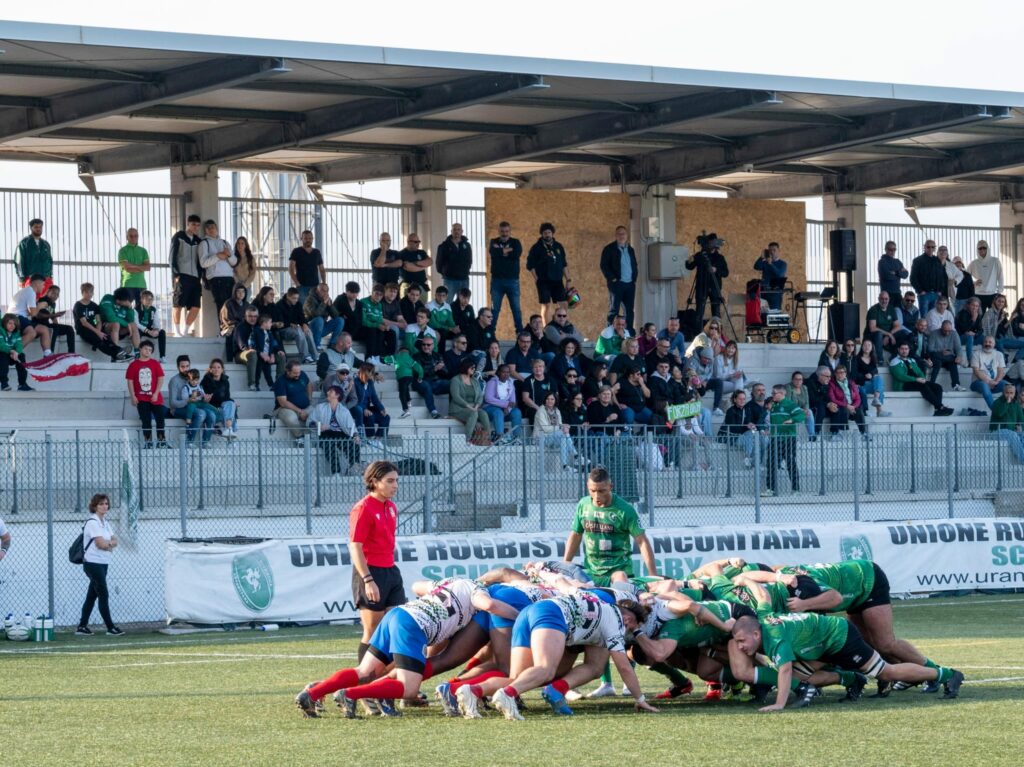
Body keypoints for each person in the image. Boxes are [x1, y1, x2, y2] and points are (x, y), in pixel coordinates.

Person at [296, 576, 518, 719]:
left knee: (363, 672)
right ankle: (350, 694)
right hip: (414, 626)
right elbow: (489, 605)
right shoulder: (477, 589)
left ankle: (313, 693)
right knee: (409, 688)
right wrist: (519, 615)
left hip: (398, 615)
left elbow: (417, 586)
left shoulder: (452, 582)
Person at [562, 467, 658, 697]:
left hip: (618, 571)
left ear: (610, 487)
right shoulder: (583, 505)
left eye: (602, 491)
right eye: (593, 491)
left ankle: (628, 679)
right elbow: (575, 535)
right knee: (596, 623)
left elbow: (642, 542)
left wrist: (653, 574)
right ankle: (606, 683)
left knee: (623, 622)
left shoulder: (625, 510)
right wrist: (565, 565)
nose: (597, 496)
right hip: (592, 573)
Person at [75, 494, 125, 637]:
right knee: (103, 593)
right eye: (101, 504)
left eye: (106, 503)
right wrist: (109, 544)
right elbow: (101, 544)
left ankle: (82, 626)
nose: (105, 506)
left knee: (92, 595)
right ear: (95, 506)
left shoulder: (105, 522)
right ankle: (110, 627)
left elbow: (115, 540)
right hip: (93, 563)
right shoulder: (93, 522)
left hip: (103, 563)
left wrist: (109, 544)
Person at [526, 223, 573, 324]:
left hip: (557, 280)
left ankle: (563, 326)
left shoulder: (558, 246)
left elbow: (564, 264)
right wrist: (536, 278)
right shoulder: (536, 247)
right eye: (545, 233)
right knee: (546, 305)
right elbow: (530, 265)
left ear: (552, 233)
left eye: (549, 232)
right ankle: (546, 329)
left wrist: (568, 280)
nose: (547, 235)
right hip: (543, 281)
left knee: (564, 304)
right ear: (542, 234)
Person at [763, 384, 804, 496]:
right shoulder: (774, 406)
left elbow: (801, 415)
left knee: (791, 463)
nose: (772, 395)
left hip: (788, 438)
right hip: (775, 438)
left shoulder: (790, 404)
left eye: (774, 393)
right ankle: (770, 489)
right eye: (772, 393)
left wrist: (792, 420)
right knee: (771, 463)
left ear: (782, 393)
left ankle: (796, 489)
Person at [890, 342, 953, 416]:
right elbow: (900, 376)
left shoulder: (911, 360)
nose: (904, 351)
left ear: (909, 350)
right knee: (923, 386)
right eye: (902, 349)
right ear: (898, 350)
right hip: (904, 384)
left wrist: (922, 379)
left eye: (906, 349)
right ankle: (940, 407)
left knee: (938, 387)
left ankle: (937, 409)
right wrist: (916, 379)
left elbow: (920, 372)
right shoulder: (894, 361)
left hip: (916, 382)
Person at [309, 385, 361, 474]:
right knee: (329, 446)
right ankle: (336, 472)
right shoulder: (320, 407)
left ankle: (353, 467)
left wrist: (356, 436)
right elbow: (309, 422)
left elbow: (351, 427)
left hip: (341, 434)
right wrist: (318, 425)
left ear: (337, 395)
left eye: (331, 391)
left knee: (353, 445)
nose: (327, 392)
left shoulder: (344, 411)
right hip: (325, 434)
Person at [124, 339, 167, 446]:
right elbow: (130, 381)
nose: (148, 351)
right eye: (146, 349)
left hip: (155, 398)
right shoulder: (133, 365)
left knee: (160, 420)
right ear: (140, 349)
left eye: (150, 350)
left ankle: (161, 442)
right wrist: (133, 396)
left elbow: (160, 379)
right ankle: (148, 442)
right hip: (141, 399)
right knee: (146, 421)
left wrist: (156, 393)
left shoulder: (155, 363)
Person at [168, 355, 216, 445]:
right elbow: (173, 403)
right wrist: (188, 400)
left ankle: (205, 442)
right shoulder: (174, 381)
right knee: (201, 414)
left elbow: (199, 395)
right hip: (178, 409)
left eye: (187, 366)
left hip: (195, 406)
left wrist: (205, 399)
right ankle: (189, 442)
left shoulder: (194, 378)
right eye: (182, 366)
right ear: (177, 367)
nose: (185, 369)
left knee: (212, 414)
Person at [234, 308, 285, 391]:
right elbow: (243, 346)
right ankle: (252, 384)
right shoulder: (240, 328)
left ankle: (280, 383)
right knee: (253, 353)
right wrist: (260, 353)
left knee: (281, 356)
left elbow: (272, 342)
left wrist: (277, 351)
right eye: (250, 316)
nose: (253, 318)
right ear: (245, 316)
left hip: (262, 354)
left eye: (255, 316)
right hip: (242, 353)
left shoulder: (263, 329)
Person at [169, 214, 203, 337]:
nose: (196, 227)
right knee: (178, 303)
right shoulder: (179, 237)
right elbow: (172, 256)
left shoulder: (199, 241)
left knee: (196, 306)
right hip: (182, 275)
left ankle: (186, 330)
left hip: (195, 277)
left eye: (198, 225)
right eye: (193, 224)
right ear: (188, 224)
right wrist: (175, 274)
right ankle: (177, 330)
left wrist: (200, 276)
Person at [600, 225, 638, 332]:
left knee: (629, 310)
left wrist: (634, 278)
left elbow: (634, 264)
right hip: (617, 284)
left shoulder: (630, 249)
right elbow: (604, 265)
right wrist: (612, 279)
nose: (622, 236)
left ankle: (629, 332)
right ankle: (610, 332)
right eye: (619, 234)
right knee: (614, 309)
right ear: (616, 235)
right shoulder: (609, 249)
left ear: (627, 235)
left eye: (623, 234)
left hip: (630, 284)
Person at [488, 220, 524, 333]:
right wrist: (507, 251)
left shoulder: (516, 242)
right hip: (496, 281)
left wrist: (501, 252)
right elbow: (493, 253)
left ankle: (519, 332)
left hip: (512, 281)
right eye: (502, 231)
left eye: (507, 231)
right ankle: (490, 332)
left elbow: (516, 253)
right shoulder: (493, 241)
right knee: (495, 309)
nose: (504, 233)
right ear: (499, 231)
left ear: (510, 231)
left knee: (516, 309)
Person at [198, 219, 237, 319]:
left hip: (229, 278)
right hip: (216, 278)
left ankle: (232, 330)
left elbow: (234, 262)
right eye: (209, 228)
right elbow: (203, 263)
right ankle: (223, 330)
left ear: (217, 229)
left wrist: (228, 255)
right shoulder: (204, 243)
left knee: (232, 305)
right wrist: (217, 256)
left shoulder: (225, 242)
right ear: (205, 230)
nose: (211, 230)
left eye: (213, 227)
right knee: (222, 305)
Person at [74, 283, 123, 362]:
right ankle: (116, 354)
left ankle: (119, 351)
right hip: (83, 330)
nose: (89, 294)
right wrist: (97, 333)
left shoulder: (95, 306)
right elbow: (84, 323)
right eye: (86, 292)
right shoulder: (78, 305)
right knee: (98, 341)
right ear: (82, 293)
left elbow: (99, 321)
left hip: (94, 329)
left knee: (105, 337)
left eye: (91, 292)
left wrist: (99, 332)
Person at [685, 235, 729, 322]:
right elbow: (689, 266)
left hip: (715, 287)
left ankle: (717, 333)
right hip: (701, 286)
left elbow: (726, 273)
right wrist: (689, 259)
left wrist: (716, 270)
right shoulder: (700, 255)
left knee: (716, 311)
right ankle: (698, 333)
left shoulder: (720, 258)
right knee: (699, 312)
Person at [449, 358, 491, 444]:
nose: (474, 369)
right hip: (458, 408)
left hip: (473, 407)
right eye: (472, 368)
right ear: (466, 367)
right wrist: (468, 406)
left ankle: (487, 439)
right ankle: (467, 439)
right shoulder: (455, 380)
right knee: (473, 413)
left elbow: (480, 396)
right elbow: (456, 397)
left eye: (474, 368)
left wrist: (476, 406)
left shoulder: (474, 381)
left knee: (483, 414)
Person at [9, 274, 52, 356]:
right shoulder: (30, 292)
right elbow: (33, 314)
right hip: (15, 318)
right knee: (31, 333)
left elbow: (29, 312)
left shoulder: (26, 291)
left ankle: (47, 354)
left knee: (44, 329)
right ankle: (13, 351)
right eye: (43, 284)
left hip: (17, 317)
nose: (43, 287)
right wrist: (39, 306)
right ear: (37, 284)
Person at [719, 389, 764, 468]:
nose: (742, 401)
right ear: (735, 399)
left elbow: (748, 423)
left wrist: (752, 426)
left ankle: (753, 462)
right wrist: (746, 426)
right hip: (730, 437)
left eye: (744, 399)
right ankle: (748, 458)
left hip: (743, 435)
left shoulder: (747, 410)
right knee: (750, 437)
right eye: (740, 399)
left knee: (756, 436)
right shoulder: (731, 411)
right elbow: (732, 428)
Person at [409, 336, 448, 419]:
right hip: (420, 382)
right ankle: (433, 411)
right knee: (426, 385)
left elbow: (445, 372)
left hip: (435, 382)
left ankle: (455, 411)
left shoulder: (437, 355)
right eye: (424, 344)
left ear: (433, 346)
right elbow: (419, 373)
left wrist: (440, 369)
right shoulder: (416, 356)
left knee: (452, 383)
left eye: (428, 345)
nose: (426, 346)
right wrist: (435, 368)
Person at [851, 338, 891, 416]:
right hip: (861, 385)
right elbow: (854, 374)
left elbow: (875, 371)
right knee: (880, 387)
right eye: (865, 345)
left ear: (872, 347)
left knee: (878, 379)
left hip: (871, 385)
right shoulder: (856, 359)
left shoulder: (873, 358)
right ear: (862, 347)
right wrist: (865, 376)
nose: (867, 347)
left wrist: (871, 375)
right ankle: (879, 410)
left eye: (869, 345)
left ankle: (876, 398)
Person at [274, 360, 313, 441]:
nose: (298, 375)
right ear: (287, 371)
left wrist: (309, 398)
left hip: (305, 407)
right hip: (284, 409)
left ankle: (308, 437)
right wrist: (300, 411)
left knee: (316, 415)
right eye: (295, 373)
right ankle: (299, 437)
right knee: (291, 418)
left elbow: (309, 384)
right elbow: (283, 402)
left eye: (299, 372)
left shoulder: (302, 374)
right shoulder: (280, 381)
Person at [483, 363, 522, 441]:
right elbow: (488, 398)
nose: (506, 374)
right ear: (498, 373)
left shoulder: (510, 384)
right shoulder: (492, 382)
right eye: (503, 372)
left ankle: (516, 438)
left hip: (505, 409)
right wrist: (505, 404)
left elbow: (512, 401)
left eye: (508, 372)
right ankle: (499, 437)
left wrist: (509, 409)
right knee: (498, 412)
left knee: (516, 412)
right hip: (490, 408)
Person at [200, 358, 237, 438]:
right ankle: (230, 432)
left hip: (222, 407)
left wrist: (232, 403)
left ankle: (228, 430)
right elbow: (202, 397)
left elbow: (227, 397)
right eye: (214, 367)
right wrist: (205, 399)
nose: (216, 369)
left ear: (222, 369)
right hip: (211, 407)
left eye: (218, 367)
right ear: (210, 369)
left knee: (231, 404)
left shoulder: (225, 381)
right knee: (230, 408)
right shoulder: (205, 381)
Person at [33, 284, 75, 354]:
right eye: (53, 293)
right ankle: (50, 353)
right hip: (38, 325)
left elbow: (53, 318)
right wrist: (55, 315)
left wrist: (56, 318)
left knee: (69, 329)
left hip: (47, 325)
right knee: (54, 328)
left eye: (57, 294)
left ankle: (72, 353)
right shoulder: (43, 300)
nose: (55, 296)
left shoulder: (53, 304)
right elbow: (38, 315)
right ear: (47, 292)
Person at [98, 288, 140, 359]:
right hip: (106, 328)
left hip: (120, 330)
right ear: (118, 300)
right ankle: (116, 353)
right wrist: (126, 324)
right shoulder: (107, 298)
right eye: (126, 301)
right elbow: (110, 317)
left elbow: (130, 320)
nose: (128, 302)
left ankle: (137, 353)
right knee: (116, 324)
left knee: (133, 324)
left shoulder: (126, 305)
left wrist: (130, 308)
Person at [352, 362, 390, 439]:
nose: (372, 374)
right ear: (365, 371)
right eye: (371, 372)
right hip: (357, 409)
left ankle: (378, 439)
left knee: (386, 417)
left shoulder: (370, 382)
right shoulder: (355, 382)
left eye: (373, 372)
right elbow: (353, 400)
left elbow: (374, 397)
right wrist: (364, 409)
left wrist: (381, 408)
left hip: (367, 409)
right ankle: (370, 438)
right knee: (370, 415)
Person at [14, 218, 52, 291]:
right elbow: (19, 262)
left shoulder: (46, 244)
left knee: (45, 301)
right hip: (30, 278)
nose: (38, 229)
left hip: (46, 279)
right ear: (31, 228)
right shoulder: (24, 243)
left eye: (40, 227)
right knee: (31, 300)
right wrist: (22, 278)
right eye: (36, 227)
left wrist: (50, 276)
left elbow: (50, 261)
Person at [827, 365, 866, 437]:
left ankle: (863, 433)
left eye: (842, 372)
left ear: (845, 373)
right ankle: (840, 432)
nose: (840, 374)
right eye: (837, 373)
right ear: (835, 374)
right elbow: (833, 399)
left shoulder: (851, 383)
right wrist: (846, 405)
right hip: (841, 406)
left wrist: (853, 407)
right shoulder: (832, 384)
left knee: (859, 411)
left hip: (852, 406)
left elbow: (858, 398)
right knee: (844, 410)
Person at [303, 283, 343, 351]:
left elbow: (335, 315)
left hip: (322, 329)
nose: (325, 293)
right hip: (310, 328)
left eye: (326, 291)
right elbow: (315, 315)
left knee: (340, 320)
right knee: (319, 319)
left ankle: (332, 344)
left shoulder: (327, 299)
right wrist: (324, 303)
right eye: (322, 290)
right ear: (317, 290)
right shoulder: (309, 299)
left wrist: (330, 306)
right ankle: (316, 345)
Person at [926, 320, 965, 391]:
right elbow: (930, 349)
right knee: (938, 359)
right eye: (945, 331)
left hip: (948, 360)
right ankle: (931, 384)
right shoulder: (934, 333)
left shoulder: (954, 334)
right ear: (941, 328)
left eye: (949, 331)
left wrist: (959, 356)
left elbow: (958, 348)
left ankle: (956, 385)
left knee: (953, 363)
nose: (947, 333)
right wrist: (941, 351)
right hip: (937, 357)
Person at [359, 284, 393, 364]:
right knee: (374, 331)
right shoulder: (363, 302)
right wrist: (377, 325)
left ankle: (387, 357)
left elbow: (379, 319)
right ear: (372, 292)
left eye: (380, 295)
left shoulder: (379, 305)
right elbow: (363, 320)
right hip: (363, 328)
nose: (378, 296)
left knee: (392, 333)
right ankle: (369, 356)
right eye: (376, 293)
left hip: (375, 327)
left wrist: (385, 326)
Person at [970, 335, 1007, 410]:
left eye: (990, 342)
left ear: (994, 344)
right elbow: (976, 372)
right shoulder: (976, 354)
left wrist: (996, 381)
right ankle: (995, 411)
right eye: (986, 342)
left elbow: (1001, 371)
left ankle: (1008, 409)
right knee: (984, 385)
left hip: (995, 383)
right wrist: (989, 382)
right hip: (977, 383)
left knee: (1008, 386)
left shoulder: (999, 354)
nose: (988, 344)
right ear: (983, 343)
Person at [289, 229, 325, 304]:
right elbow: (291, 269)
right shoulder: (296, 251)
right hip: (301, 286)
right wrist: (297, 283)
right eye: (305, 238)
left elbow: (322, 269)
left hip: (315, 286)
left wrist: (324, 283)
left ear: (312, 239)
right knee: (302, 308)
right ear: (301, 239)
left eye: (310, 238)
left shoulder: (317, 252)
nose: (308, 240)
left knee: (315, 306)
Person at [910, 240, 945, 315]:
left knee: (933, 317)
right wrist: (920, 291)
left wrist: (940, 291)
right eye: (928, 247)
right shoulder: (918, 260)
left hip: (936, 294)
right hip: (924, 295)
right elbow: (913, 278)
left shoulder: (937, 261)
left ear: (935, 248)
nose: (930, 249)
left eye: (933, 247)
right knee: (924, 318)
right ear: (924, 247)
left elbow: (942, 277)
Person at [990, 383, 1024, 462]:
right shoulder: (997, 403)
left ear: (1014, 393)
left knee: (1021, 435)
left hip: (1010, 432)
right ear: (1003, 392)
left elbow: (1022, 420)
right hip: (996, 431)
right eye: (1007, 393)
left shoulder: (1016, 405)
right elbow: (999, 413)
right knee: (1012, 435)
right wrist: (1006, 403)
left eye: (1011, 393)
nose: (1009, 395)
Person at [436, 222, 473, 295]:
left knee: (463, 303)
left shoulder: (467, 245)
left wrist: (465, 271)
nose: (456, 231)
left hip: (464, 279)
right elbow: (439, 262)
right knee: (448, 303)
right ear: (451, 231)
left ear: (462, 231)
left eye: (458, 229)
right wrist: (445, 273)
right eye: (454, 229)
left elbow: (469, 260)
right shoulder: (444, 246)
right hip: (449, 280)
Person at [117, 227, 149, 306]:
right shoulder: (123, 251)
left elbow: (148, 267)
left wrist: (133, 266)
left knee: (141, 310)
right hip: (127, 284)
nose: (133, 238)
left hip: (141, 285)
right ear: (127, 237)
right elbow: (127, 268)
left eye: (136, 236)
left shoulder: (143, 251)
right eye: (131, 236)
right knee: (125, 309)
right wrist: (141, 268)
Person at [968, 239, 1003, 311]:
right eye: (980, 248)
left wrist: (999, 291)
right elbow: (966, 276)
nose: (982, 250)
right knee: (979, 317)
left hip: (992, 294)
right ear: (977, 250)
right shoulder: (974, 263)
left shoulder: (995, 261)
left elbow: (1000, 276)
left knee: (994, 316)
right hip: (978, 295)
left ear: (988, 248)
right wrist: (974, 283)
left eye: (984, 248)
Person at [0, 313, 32, 392]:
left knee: (21, 356)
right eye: (10, 323)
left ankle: (22, 384)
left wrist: (17, 352)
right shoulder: (1, 331)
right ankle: (4, 384)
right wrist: (11, 351)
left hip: (12, 354)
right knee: (3, 357)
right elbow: (1, 345)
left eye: (14, 324)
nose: (12, 325)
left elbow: (19, 345)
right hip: (2, 353)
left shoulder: (16, 332)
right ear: (5, 323)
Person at [865, 291, 901, 357]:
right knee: (879, 334)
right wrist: (889, 334)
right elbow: (873, 328)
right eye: (882, 299)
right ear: (878, 299)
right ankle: (880, 359)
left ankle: (899, 357)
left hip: (887, 334)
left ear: (889, 299)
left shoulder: (891, 309)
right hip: (874, 335)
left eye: (886, 299)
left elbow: (897, 326)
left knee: (903, 333)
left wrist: (888, 335)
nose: (884, 301)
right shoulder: (873, 310)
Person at [753, 242, 787, 311]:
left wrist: (770, 264)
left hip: (775, 293)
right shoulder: (765, 262)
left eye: (774, 250)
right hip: (764, 292)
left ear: (779, 251)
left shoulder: (783, 264)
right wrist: (761, 257)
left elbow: (779, 274)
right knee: (762, 314)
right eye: (770, 250)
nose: (772, 252)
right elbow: (756, 267)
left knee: (775, 313)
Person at [520, 359, 555, 424]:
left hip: (549, 406)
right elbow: (525, 398)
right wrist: (539, 409)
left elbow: (556, 396)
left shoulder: (550, 380)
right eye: (535, 367)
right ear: (532, 369)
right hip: (534, 407)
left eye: (540, 366)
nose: (538, 369)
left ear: (544, 368)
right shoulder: (528, 381)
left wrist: (550, 408)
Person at [136, 290, 166, 362]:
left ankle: (162, 356)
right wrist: (148, 331)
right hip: (140, 329)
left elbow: (157, 322)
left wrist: (156, 330)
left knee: (162, 332)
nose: (149, 301)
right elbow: (136, 324)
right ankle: (137, 355)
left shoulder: (153, 309)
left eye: (151, 299)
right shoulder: (136, 309)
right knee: (137, 332)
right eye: (146, 299)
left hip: (149, 329)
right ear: (141, 300)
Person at [956, 296, 985, 363]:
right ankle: (970, 360)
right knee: (970, 337)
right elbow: (964, 330)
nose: (974, 307)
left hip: (973, 336)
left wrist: (975, 334)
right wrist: (973, 319)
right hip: (960, 338)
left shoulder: (978, 315)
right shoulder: (962, 313)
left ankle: (985, 360)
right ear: (968, 305)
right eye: (973, 305)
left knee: (986, 339)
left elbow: (981, 330)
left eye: (976, 306)